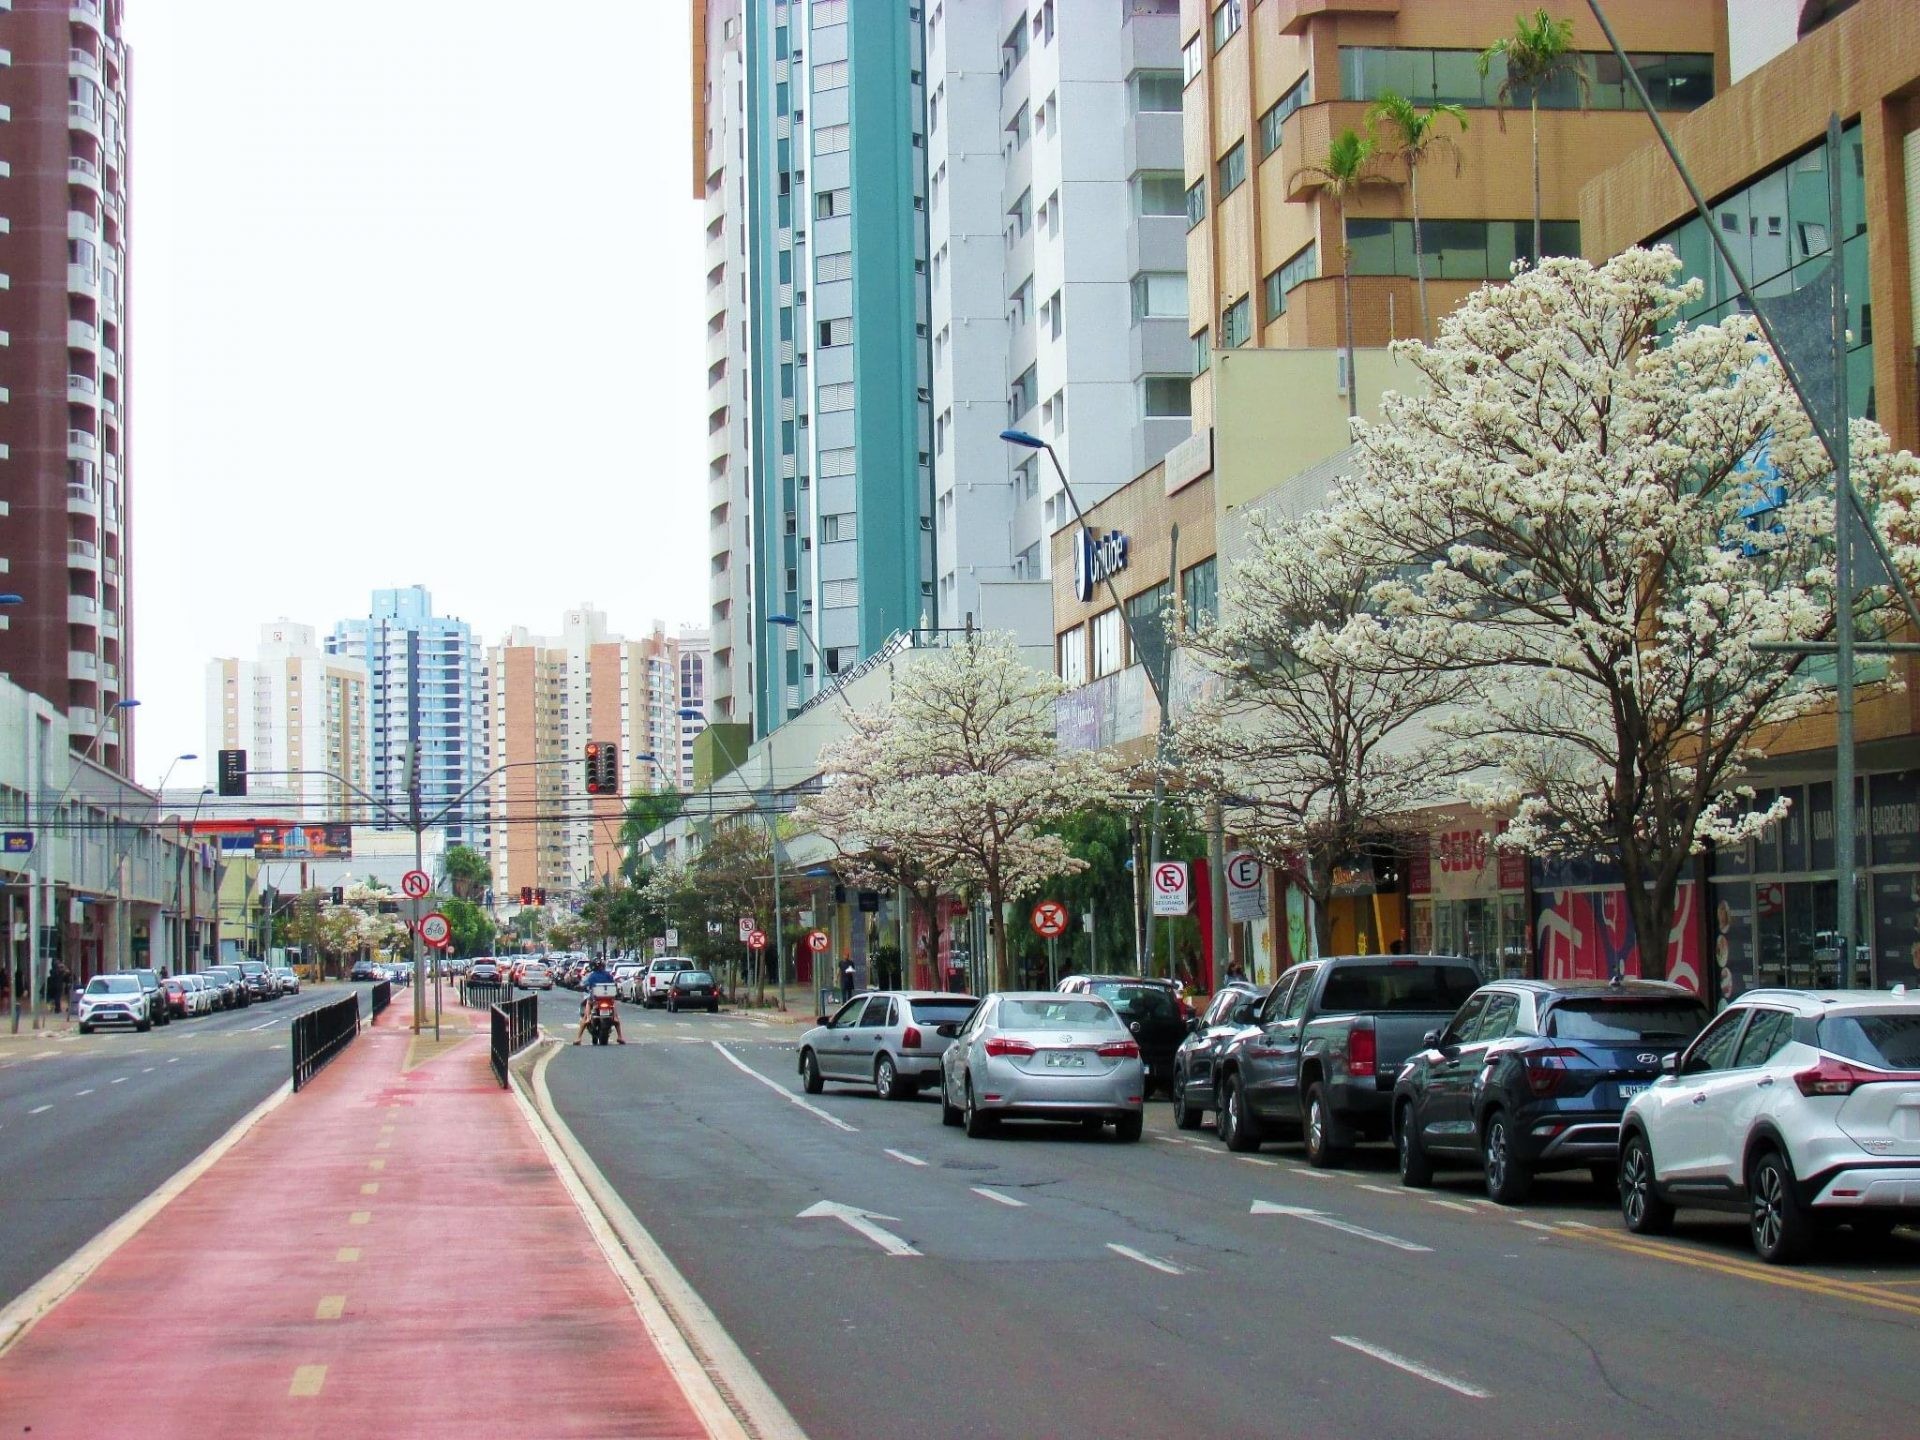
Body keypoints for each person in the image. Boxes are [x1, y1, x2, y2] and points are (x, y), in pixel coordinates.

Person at [573, 959, 626, 1045]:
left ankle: (580, 1034)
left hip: (595, 1000)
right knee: (614, 1008)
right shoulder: (608, 975)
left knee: (588, 1003)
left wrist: (580, 986)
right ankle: (620, 1036)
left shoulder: (592, 976)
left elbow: (585, 984)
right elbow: (613, 983)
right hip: (608, 999)